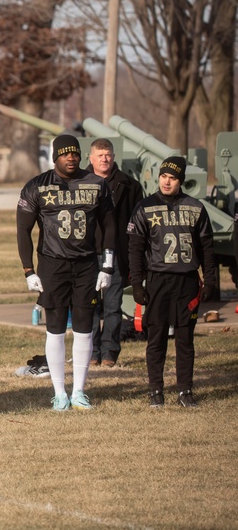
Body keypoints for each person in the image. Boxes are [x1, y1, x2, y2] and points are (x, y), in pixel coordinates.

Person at [17, 134, 116, 411]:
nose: (70, 158)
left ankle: (80, 391)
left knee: (86, 328)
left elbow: (110, 226)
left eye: (74, 153)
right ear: (54, 156)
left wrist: (107, 264)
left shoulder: (97, 184)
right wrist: (28, 270)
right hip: (52, 264)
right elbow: (23, 230)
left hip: (86, 264)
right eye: (64, 154)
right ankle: (59, 392)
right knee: (55, 329)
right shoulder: (37, 186)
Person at [127, 156, 217, 409]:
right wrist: (137, 283)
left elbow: (207, 248)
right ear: (158, 178)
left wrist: (209, 280)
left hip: (187, 282)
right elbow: (134, 249)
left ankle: (185, 391)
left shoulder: (196, 207)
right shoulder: (144, 207)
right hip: (157, 281)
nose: (167, 182)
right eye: (164, 176)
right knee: (156, 339)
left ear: (181, 181)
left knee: (185, 340)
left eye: (173, 178)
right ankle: (156, 390)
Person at [85, 138, 144, 366]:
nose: (104, 159)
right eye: (99, 155)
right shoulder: (80, 183)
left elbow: (138, 225)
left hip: (116, 254)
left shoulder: (129, 185)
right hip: (86, 254)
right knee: (89, 306)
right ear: (91, 158)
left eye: (108, 154)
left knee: (112, 306)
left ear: (114, 156)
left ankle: (109, 353)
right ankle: (91, 352)